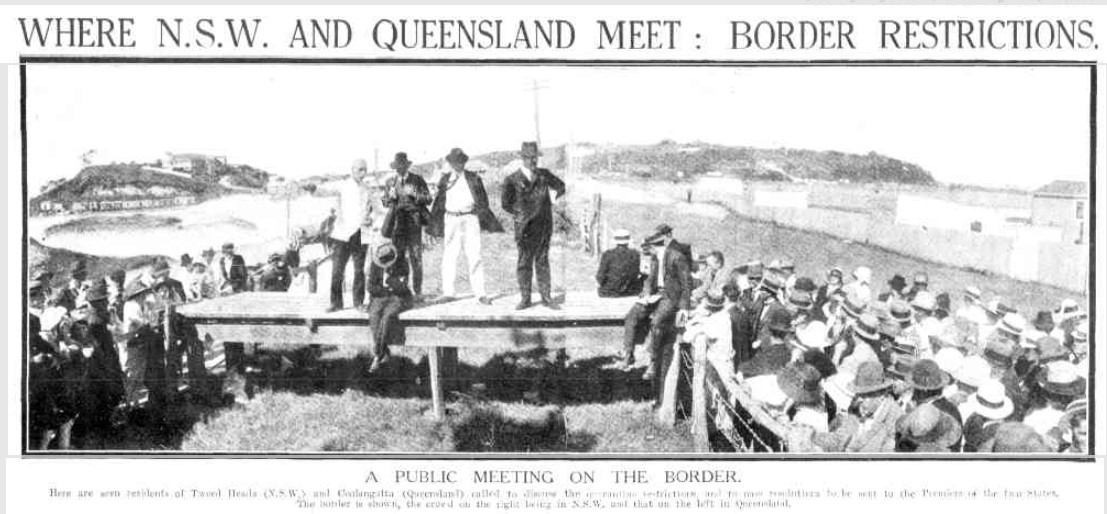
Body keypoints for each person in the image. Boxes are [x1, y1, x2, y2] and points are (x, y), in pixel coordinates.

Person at [621, 225, 693, 393]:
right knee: (631, 315)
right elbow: (649, 280)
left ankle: (653, 361)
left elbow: (687, 285)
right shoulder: (654, 259)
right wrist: (645, 294)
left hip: (671, 297)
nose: (647, 254)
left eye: (649, 250)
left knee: (657, 321)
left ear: (657, 247)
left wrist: (683, 308)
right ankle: (628, 354)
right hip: (656, 295)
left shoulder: (676, 257)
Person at [428, 148, 504, 304]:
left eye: (460, 161)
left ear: (464, 162)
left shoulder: (473, 178)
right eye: (454, 161)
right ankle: (448, 292)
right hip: (451, 218)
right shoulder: (445, 180)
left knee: (474, 255)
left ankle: (480, 293)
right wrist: (433, 226)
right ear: (450, 163)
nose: (458, 164)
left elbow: (483, 201)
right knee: (450, 255)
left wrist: (480, 216)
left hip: (470, 218)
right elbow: (438, 203)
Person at [501, 141, 567, 310]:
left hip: (543, 224)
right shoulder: (512, 179)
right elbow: (505, 203)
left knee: (542, 260)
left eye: (535, 158)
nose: (533, 161)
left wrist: (552, 198)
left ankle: (546, 297)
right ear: (522, 158)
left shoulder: (544, 175)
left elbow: (561, 186)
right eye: (529, 158)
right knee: (524, 262)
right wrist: (520, 213)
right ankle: (525, 298)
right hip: (524, 228)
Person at [327, 158, 375, 311]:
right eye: (360, 169)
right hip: (343, 233)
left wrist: (370, 218)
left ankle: (359, 302)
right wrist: (313, 188)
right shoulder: (343, 185)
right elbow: (325, 191)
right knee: (337, 270)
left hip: (361, 234)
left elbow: (375, 209)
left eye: (365, 170)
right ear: (352, 170)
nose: (363, 173)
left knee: (359, 270)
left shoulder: (367, 189)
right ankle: (335, 303)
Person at [381, 152, 432, 298]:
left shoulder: (417, 179)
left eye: (402, 166)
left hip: (413, 222)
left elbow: (428, 198)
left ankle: (418, 291)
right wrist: (389, 198)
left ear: (407, 166)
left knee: (416, 256)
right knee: (398, 256)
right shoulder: (390, 182)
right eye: (397, 167)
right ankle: (401, 290)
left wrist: (415, 193)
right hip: (397, 223)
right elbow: (385, 202)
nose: (399, 169)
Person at [366, 243, 413, 373]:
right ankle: (383, 352)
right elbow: (370, 287)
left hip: (398, 296)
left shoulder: (402, 263)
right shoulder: (375, 265)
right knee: (374, 315)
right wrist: (384, 290)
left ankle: (377, 354)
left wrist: (392, 283)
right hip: (381, 296)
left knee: (388, 316)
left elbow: (403, 287)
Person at [595, 228, 643, 297]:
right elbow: (635, 273)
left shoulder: (608, 254)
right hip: (630, 290)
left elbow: (600, 277)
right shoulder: (635, 254)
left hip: (610, 291)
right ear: (628, 240)